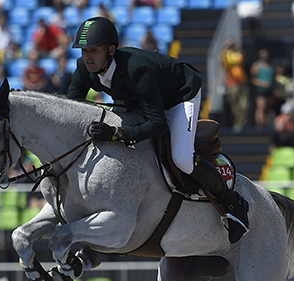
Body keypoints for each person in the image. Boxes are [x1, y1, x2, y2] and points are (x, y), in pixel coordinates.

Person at [65, 16, 249, 243]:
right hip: (140, 98)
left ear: (111, 50)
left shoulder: (136, 69)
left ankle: (232, 201)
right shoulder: (84, 68)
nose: (87, 57)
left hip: (179, 95)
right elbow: (71, 109)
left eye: (93, 50)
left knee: (181, 158)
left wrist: (116, 134)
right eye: (84, 51)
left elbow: (158, 123)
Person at [220, 38, 249, 131]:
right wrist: (226, 47)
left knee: (244, 104)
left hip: (241, 81)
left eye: (233, 44)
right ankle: (237, 123)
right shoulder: (225, 54)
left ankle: (242, 122)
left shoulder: (239, 54)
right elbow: (223, 61)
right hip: (232, 83)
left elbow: (241, 59)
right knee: (235, 104)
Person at [249, 48, 274, 129]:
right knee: (261, 107)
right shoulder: (257, 65)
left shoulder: (270, 66)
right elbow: (253, 79)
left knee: (266, 109)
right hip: (260, 90)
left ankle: (265, 125)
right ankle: (259, 126)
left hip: (269, 91)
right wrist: (262, 84)